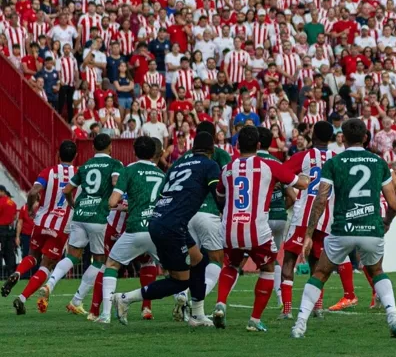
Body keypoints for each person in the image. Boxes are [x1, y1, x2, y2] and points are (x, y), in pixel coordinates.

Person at [291, 118, 396, 339]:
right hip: (371, 228)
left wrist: (310, 234)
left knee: (320, 273)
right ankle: (394, 319)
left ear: (343, 139)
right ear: (364, 138)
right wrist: (386, 221)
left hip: (342, 230)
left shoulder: (335, 163)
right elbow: (394, 204)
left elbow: (321, 199)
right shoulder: (378, 162)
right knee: (377, 271)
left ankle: (300, 324)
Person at [112, 131, 221, 326]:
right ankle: (125, 298)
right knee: (180, 281)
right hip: (172, 225)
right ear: (212, 149)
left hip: (163, 219)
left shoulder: (178, 164)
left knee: (198, 260)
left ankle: (197, 315)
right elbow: (218, 192)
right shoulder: (209, 165)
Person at [212, 126, 307, 332]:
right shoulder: (268, 165)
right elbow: (300, 184)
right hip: (256, 228)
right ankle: (254, 320)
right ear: (258, 145)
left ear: (237, 146)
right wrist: (310, 178)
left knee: (231, 264)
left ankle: (220, 303)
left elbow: (219, 196)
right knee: (268, 268)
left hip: (229, 228)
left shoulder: (227, 169)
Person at [281, 121, 358, 318]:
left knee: (289, 260)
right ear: (331, 137)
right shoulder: (336, 158)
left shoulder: (304, 156)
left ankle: (287, 310)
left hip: (303, 218)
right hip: (326, 218)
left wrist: (294, 189)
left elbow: (283, 174)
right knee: (318, 263)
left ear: (313, 136)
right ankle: (317, 307)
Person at [39, 134, 123, 313]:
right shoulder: (115, 164)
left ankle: (50, 284)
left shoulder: (85, 166)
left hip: (80, 214)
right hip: (98, 217)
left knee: (71, 256)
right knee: (99, 261)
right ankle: (76, 300)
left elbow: (67, 190)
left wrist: (72, 204)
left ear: (93, 148)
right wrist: (116, 197)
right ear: (110, 147)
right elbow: (116, 182)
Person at [96, 137, 165, 324]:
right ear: (155, 153)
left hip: (135, 228)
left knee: (111, 265)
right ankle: (187, 308)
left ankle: (105, 314)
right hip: (156, 229)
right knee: (176, 271)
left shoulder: (128, 170)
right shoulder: (161, 174)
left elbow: (112, 201)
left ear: (135, 152)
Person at [2, 141, 77, 314]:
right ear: (75, 156)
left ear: (58, 154)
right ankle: (21, 298)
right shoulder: (78, 173)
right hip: (60, 226)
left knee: (32, 255)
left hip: (42, 221)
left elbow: (33, 192)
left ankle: (18, 273)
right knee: (46, 265)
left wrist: (29, 209)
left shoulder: (49, 172)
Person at [170, 120, 232, 321]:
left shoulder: (183, 158)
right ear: (213, 140)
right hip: (209, 213)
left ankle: (181, 293)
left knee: (191, 260)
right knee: (216, 260)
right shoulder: (220, 156)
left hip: (184, 216)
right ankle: (197, 300)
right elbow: (227, 184)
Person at [255, 126, 296, 312]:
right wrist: (279, 208)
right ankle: (280, 299)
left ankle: (219, 301)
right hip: (279, 216)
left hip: (257, 218)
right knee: (273, 258)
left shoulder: (251, 162)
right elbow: (292, 196)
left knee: (236, 260)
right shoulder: (277, 163)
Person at [0, 187, 18, 279]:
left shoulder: (1, 202)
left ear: (2, 192)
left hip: (1, 230)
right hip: (9, 231)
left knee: (0, 251)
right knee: (10, 253)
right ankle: (12, 273)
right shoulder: (12, 203)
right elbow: (14, 217)